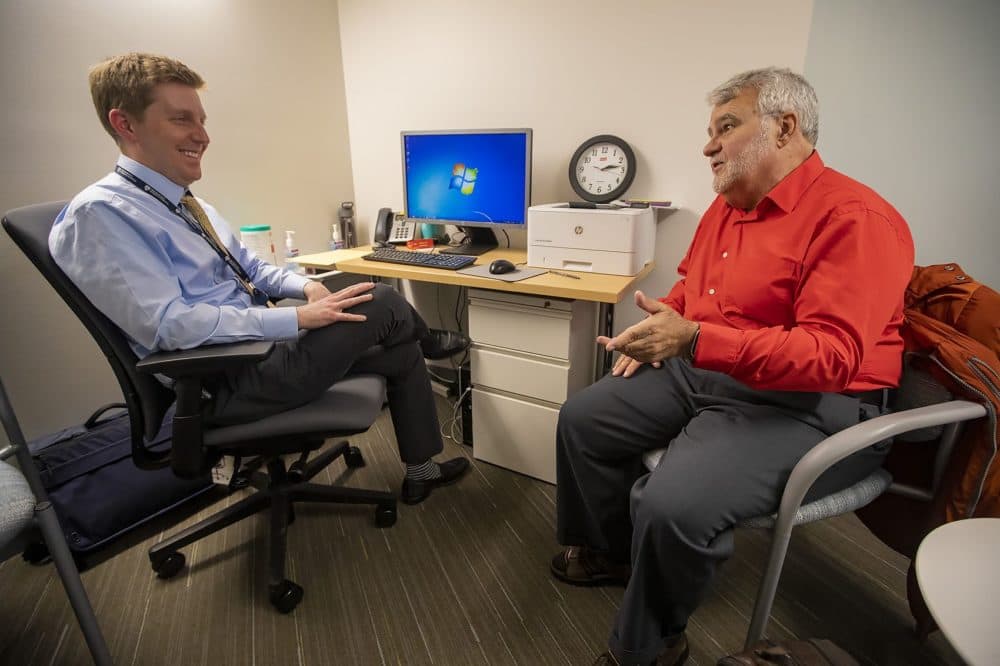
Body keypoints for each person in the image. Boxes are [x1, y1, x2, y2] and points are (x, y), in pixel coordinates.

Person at [549, 67, 915, 665]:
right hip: (716, 370)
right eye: (709, 131)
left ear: (784, 128)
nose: (707, 146)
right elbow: (694, 287)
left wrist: (692, 339)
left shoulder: (855, 219)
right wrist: (661, 325)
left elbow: (831, 357)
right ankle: (617, 553)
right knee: (582, 418)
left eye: (726, 127)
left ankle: (652, 641)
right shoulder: (729, 206)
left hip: (813, 405)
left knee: (673, 504)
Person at [49, 52, 470, 505]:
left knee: (399, 349)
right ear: (125, 125)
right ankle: (430, 340)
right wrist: (298, 321)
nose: (202, 135)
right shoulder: (102, 214)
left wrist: (304, 289)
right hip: (224, 378)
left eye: (202, 120)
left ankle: (421, 468)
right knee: (382, 299)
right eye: (181, 119)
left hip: (262, 353)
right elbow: (170, 326)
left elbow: (250, 269)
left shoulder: (186, 203)